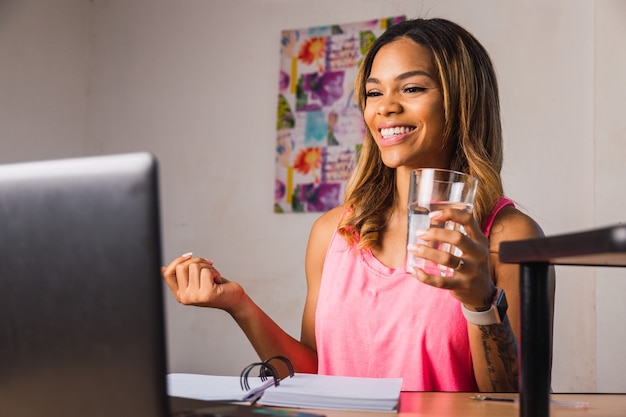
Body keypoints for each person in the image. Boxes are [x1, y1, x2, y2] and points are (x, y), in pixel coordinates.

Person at [162, 17, 555, 392]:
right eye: (373, 92)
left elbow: (518, 400)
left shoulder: (510, 237)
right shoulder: (332, 233)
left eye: (412, 88)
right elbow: (316, 376)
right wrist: (238, 304)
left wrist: (479, 302)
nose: (385, 107)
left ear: (461, 101)